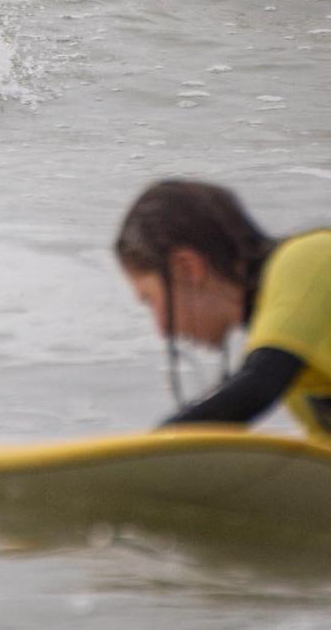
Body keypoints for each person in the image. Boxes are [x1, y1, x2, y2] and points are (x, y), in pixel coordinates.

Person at [115, 178, 331, 437]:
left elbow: (256, 385)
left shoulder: (309, 258)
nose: (162, 329)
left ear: (187, 268)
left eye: (150, 299)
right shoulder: (296, 355)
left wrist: (147, 453)